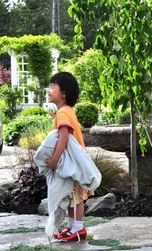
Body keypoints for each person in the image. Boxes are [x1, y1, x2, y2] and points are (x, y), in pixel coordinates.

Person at [46, 71, 88, 242]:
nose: (49, 90)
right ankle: (72, 227)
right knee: (72, 196)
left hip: (73, 164)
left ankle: (78, 228)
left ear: (63, 94)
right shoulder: (67, 110)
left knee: (76, 197)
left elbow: (63, 137)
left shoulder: (63, 113)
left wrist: (54, 159)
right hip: (76, 162)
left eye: (52, 86)